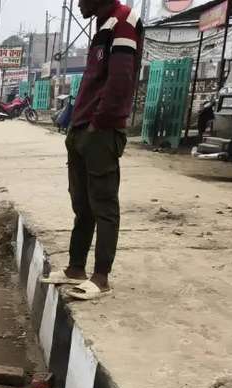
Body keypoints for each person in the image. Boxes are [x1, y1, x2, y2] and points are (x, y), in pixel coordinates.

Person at [42, 0, 144, 300]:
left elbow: (120, 80)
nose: (78, 3)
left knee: (104, 205)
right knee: (82, 205)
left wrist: (99, 123)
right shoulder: (102, 25)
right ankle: (76, 268)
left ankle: (101, 277)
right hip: (82, 128)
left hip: (100, 131)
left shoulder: (123, 21)